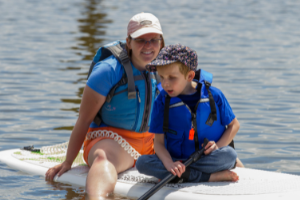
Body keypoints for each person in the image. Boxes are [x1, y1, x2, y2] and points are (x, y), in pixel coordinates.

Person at [45, 12, 165, 198]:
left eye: (154, 40)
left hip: (152, 143)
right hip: (113, 141)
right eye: (141, 40)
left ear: (161, 42)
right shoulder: (108, 70)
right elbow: (84, 119)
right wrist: (68, 162)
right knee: (103, 157)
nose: (148, 46)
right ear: (129, 42)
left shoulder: (164, 68)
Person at [136, 44, 240, 183]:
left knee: (229, 155)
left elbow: (234, 126)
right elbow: (158, 144)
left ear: (190, 75)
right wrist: (169, 164)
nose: (165, 83)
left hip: (207, 159)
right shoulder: (161, 101)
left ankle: (181, 176)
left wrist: (218, 146)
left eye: (172, 77)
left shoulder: (215, 95)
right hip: (176, 161)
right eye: (162, 77)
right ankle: (208, 177)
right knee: (142, 163)